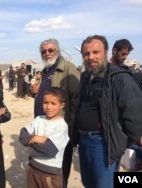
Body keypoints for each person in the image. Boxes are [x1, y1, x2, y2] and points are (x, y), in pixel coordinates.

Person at [72, 35, 142, 188]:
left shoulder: (119, 77)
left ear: (106, 52)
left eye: (96, 52)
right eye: (86, 54)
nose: (91, 57)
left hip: (103, 143)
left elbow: (135, 117)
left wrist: (120, 142)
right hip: (83, 141)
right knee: (88, 182)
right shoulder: (85, 76)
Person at [30, 38, 80, 187]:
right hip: (44, 127)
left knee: (60, 169)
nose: (47, 53)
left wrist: (71, 128)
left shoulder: (68, 68)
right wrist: (35, 92)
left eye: (50, 50)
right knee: (45, 166)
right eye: (43, 51)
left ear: (57, 51)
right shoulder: (45, 71)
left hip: (60, 130)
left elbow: (77, 100)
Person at [19, 87, 69, 188]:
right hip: (33, 169)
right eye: (45, 102)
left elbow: (49, 150)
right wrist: (35, 138)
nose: (48, 107)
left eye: (53, 103)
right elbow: (22, 136)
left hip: (50, 175)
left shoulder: (61, 126)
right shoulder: (38, 119)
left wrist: (30, 143)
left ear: (62, 105)